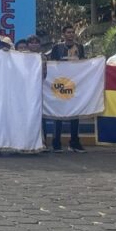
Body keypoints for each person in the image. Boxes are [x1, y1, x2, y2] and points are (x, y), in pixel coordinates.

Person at [48, 25, 86, 153]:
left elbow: (83, 63)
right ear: (63, 34)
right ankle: (56, 143)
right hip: (60, 84)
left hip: (74, 84)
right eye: (68, 32)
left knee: (75, 113)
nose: (71, 34)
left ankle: (74, 143)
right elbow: (52, 64)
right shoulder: (57, 47)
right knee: (57, 113)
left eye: (72, 32)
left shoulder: (79, 47)